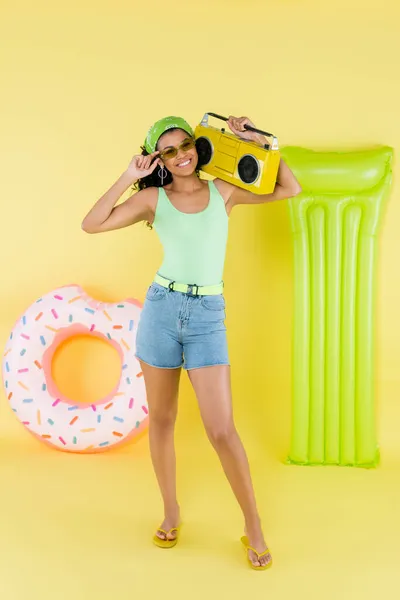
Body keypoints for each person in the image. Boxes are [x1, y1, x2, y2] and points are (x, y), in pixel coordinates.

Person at [82, 115, 302, 570]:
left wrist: (254, 137)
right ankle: (171, 511)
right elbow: (92, 223)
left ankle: (253, 525)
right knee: (161, 421)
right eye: (168, 150)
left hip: (206, 317)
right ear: (157, 159)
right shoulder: (151, 198)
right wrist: (129, 175)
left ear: (198, 145)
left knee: (222, 430)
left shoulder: (224, 189)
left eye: (186, 144)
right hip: (161, 311)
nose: (181, 154)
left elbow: (289, 187)